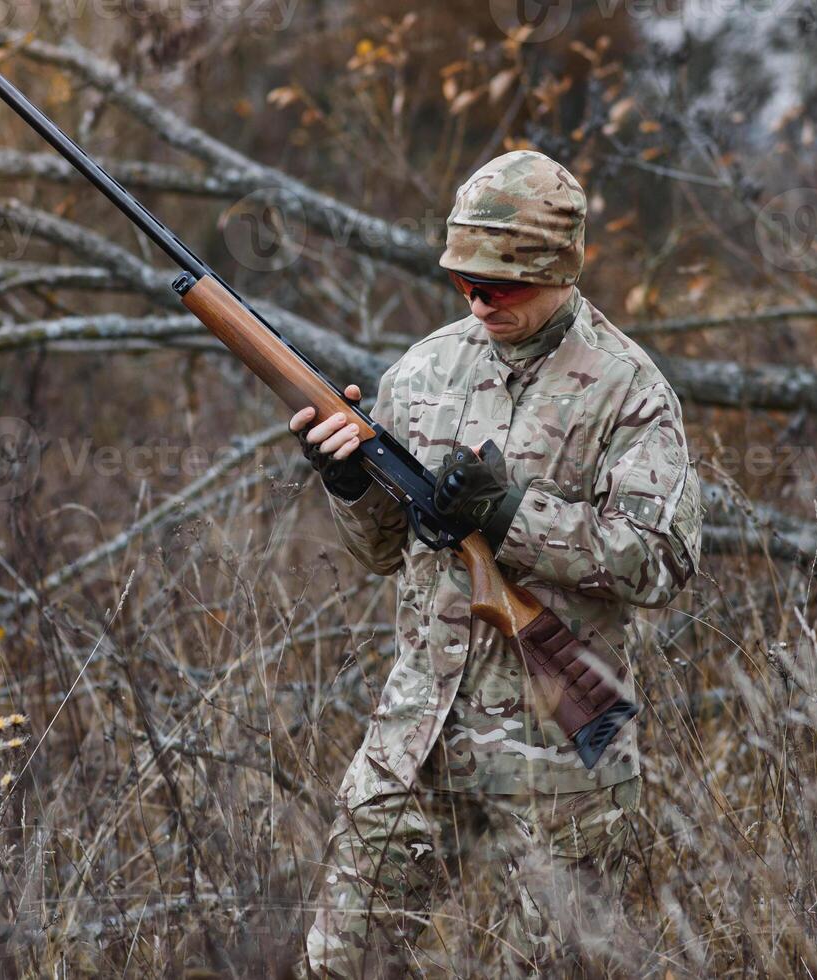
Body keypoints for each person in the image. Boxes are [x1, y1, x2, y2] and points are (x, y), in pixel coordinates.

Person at [289, 150, 703, 977]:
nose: (480, 303)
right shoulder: (425, 370)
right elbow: (377, 552)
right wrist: (346, 481)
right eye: (464, 284)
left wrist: (511, 516)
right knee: (339, 962)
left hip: (558, 749)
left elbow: (661, 561)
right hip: (419, 733)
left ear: (560, 270)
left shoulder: (629, 391)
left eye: (502, 286)